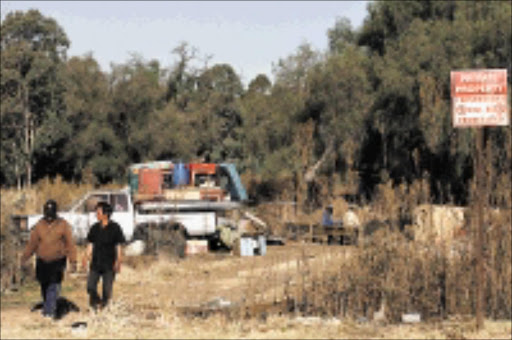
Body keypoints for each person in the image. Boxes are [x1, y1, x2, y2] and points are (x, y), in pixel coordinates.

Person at [21, 199, 77, 319]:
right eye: (47, 214)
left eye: (51, 214)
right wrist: (25, 257)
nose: (49, 218)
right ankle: (49, 305)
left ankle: (49, 313)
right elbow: (32, 244)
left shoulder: (63, 225)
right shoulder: (39, 225)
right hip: (42, 261)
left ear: (55, 213)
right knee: (44, 285)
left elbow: (70, 243)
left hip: (58, 260)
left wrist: (73, 260)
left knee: (53, 285)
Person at [83, 201, 125, 310]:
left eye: (98, 212)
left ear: (106, 214)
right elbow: (90, 245)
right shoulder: (94, 228)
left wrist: (118, 261)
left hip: (109, 264)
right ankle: (97, 302)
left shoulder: (115, 228)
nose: (97, 215)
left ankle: (105, 309)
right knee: (90, 287)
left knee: (107, 290)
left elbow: (118, 246)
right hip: (96, 263)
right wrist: (85, 258)